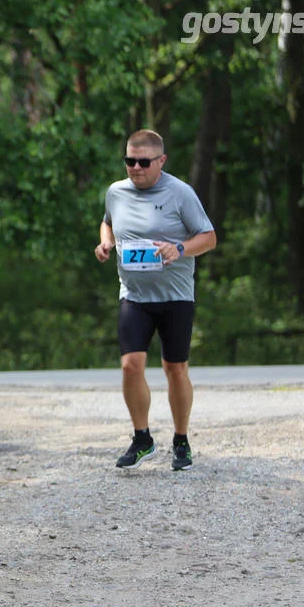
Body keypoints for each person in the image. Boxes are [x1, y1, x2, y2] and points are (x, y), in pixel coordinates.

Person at [95, 129, 216, 471]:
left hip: (176, 296)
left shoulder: (181, 193)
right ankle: (142, 437)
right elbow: (107, 224)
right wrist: (105, 244)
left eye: (143, 162)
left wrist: (179, 249)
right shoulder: (116, 192)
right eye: (129, 161)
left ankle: (181, 440)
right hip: (134, 296)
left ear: (161, 161)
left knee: (174, 368)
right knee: (130, 366)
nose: (135, 168)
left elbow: (209, 238)